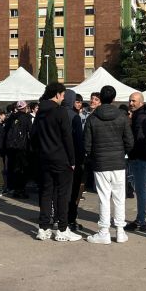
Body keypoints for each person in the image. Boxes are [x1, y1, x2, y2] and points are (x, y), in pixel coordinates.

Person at [84, 85, 134, 244]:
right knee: (119, 197)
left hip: (100, 163)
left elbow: (87, 144)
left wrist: (93, 157)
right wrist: (122, 152)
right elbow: (129, 141)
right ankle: (120, 231)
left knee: (104, 197)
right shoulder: (122, 117)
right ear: (113, 98)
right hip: (118, 161)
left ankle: (104, 231)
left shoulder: (92, 118)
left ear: (101, 98)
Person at [31, 83, 82, 242]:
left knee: (46, 193)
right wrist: (72, 160)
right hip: (61, 159)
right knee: (62, 194)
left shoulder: (40, 112)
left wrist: (40, 153)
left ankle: (43, 228)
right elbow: (67, 137)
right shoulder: (60, 112)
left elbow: (33, 136)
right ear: (58, 94)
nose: (64, 97)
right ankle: (62, 229)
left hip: (44, 158)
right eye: (63, 94)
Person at [125, 92, 146, 232]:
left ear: (141, 102)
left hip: (141, 157)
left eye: (133, 101)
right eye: (130, 101)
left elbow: (138, 139)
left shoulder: (140, 117)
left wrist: (131, 153)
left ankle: (140, 220)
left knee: (140, 190)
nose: (130, 103)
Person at [60, 89, 86, 233]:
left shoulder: (55, 113)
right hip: (73, 160)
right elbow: (78, 142)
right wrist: (80, 160)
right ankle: (70, 220)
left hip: (57, 159)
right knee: (73, 192)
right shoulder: (74, 117)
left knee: (60, 191)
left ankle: (59, 218)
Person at [5, 100, 33, 199]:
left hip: (12, 148)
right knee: (23, 170)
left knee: (14, 168)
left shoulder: (11, 117)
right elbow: (31, 132)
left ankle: (15, 189)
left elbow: (6, 130)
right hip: (23, 148)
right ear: (25, 108)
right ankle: (21, 190)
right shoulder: (27, 118)